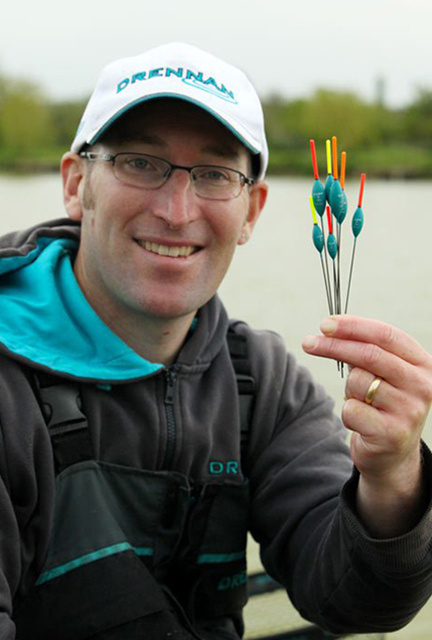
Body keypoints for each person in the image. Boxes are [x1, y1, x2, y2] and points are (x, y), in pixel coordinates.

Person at [0, 42, 431, 640]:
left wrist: (394, 480)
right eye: (140, 163)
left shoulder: (261, 379)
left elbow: (356, 603)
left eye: (214, 175)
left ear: (251, 211)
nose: (177, 212)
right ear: (76, 184)